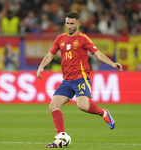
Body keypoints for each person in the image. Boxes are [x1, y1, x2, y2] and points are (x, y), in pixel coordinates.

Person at [36, 12, 122, 148]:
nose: (69, 26)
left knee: (82, 106)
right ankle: (61, 137)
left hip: (81, 78)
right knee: (53, 106)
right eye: (67, 23)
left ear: (77, 24)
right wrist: (41, 66)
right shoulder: (60, 38)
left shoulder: (83, 39)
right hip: (67, 80)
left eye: (71, 23)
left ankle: (104, 113)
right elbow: (50, 54)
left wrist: (112, 63)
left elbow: (97, 53)